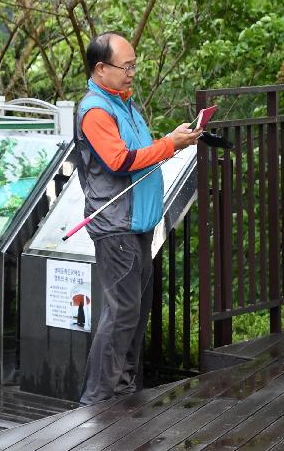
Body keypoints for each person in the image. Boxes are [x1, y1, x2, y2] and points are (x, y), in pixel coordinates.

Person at [75, 32, 200, 405]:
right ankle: (96, 402)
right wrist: (170, 145)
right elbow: (121, 160)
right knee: (120, 315)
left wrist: (171, 139)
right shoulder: (96, 110)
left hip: (138, 226)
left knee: (134, 313)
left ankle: (124, 393)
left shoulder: (123, 104)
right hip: (116, 227)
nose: (132, 73)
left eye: (133, 65)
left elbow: (142, 152)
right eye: (125, 66)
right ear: (101, 69)